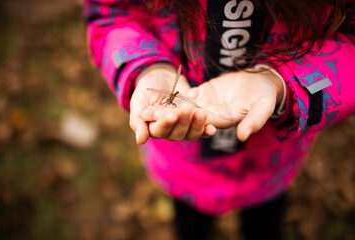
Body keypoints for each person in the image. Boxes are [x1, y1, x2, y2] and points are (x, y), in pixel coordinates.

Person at [84, 0, 355, 239]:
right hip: (183, 164)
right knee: (190, 226)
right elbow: (114, 13)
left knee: (265, 224)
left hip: (271, 164)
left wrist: (279, 82)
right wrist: (149, 68)